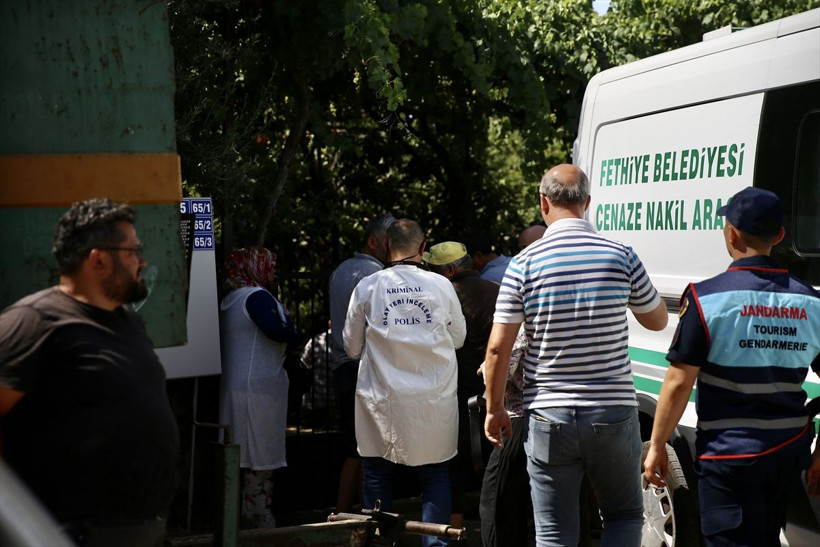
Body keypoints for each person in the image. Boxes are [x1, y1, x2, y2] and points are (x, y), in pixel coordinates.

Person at [483, 164, 668, 546]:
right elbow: (656, 320)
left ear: (543, 203)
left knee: (554, 533)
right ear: (587, 202)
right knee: (624, 516)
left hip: (549, 415)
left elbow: (499, 347)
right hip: (612, 412)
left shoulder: (522, 265)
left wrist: (495, 407)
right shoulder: (621, 255)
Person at [643, 186, 820, 546]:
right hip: (787, 454)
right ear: (780, 235)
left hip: (729, 458)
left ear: (732, 234)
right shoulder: (811, 302)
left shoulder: (707, 298)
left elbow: (678, 383)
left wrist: (657, 445)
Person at [0, 198, 180, 547]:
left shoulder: (130, 323)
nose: (142, 261)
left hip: (145, 531)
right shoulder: (34, 321)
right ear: (98, 259)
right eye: (133, 251)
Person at [343, 219, 467, 546]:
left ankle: (381, 542)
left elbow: (351, 348)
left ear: (386, 248)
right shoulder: (441, 286)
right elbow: (458, 338)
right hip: (432, 401)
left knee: (378, 477)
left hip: (381, 401)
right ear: (423, 249)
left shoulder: (367, 287)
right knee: (435, 477)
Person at [219, 246, 301, 529]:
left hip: (237, 386)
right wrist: (295, 334)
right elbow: (277, 330)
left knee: (240, 455)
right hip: (260, 389)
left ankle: (240, 511)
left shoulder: (230, 299)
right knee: (262, 455)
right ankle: (260, 513)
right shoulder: (256, 297)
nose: (274, 272)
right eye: (270, 265)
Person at [425, 241, 499, 530]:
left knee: (453, 462)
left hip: (453, 389)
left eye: (433, 270)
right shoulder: (497, 290)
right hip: (495, 388)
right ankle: (495, 523)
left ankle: (455, 528)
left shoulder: (443, 297)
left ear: (451, 270)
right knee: (496, 459)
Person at [328, 213, 396, 512]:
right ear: (373, 242)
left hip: (342, 368)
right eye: (389, 244)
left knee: (353, 449)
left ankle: (344, 514)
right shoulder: (377, 277)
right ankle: (367, 517)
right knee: (369, 450)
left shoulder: (340, 270)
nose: (394, 250)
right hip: (364, 368)